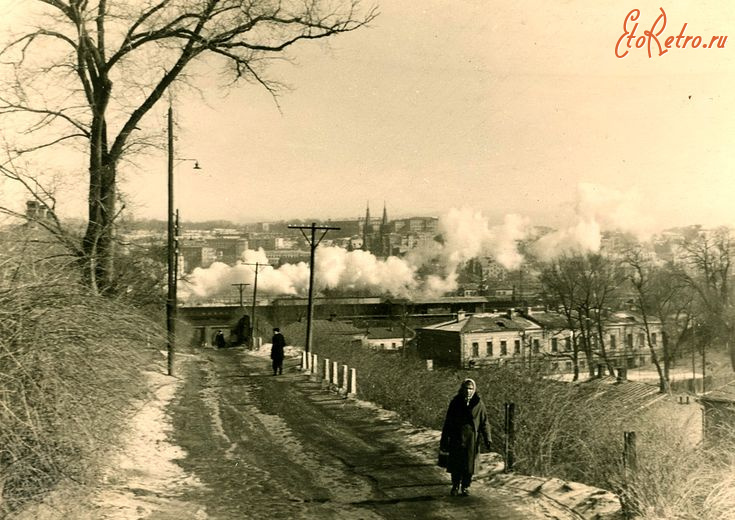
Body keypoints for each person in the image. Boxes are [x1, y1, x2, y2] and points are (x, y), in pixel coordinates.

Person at [439, 378, 492, 497]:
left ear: (474, 390)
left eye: (471, 389)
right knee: (456, 463)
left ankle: (466, 486)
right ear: (462, 389)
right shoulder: (455, 402)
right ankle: (455, 485)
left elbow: (484, 422)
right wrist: (445, 439)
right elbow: (448, 422)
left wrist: (487, 438)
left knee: (469, 465)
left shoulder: (479, 404)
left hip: (472, 439)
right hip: (457, 437)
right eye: (466, 388)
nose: (468, 391)